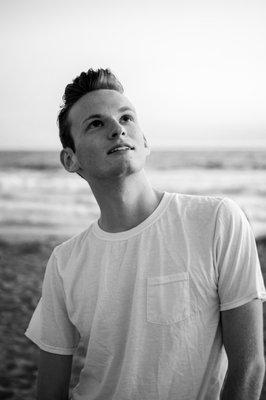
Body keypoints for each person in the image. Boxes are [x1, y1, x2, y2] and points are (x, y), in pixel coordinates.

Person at [25, 68, 266, 400]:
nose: (118, 129)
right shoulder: (64, 262)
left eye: (126, 118)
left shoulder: (217, 220)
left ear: (145, 142)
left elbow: (249, 366)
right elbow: (50, 390)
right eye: (96, 123)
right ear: (70, 159)